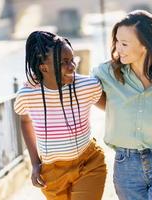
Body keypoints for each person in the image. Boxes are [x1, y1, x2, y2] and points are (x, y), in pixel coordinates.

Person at [92, 10, 152, 200]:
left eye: (125, 44)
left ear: (145, 44)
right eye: (117, 41)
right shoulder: (106, 73)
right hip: (126, 166)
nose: (118, 48)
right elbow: (89, 93)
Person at [14, 31, 106, 200]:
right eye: (64, 62)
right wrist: (35, 163)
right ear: (44, 68)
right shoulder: (27, 95)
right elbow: (25, 121)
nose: (72, 66)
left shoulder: (88, 85)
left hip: (88, 163)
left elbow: (113, 107)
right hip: (52, 172)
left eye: (72, 60)